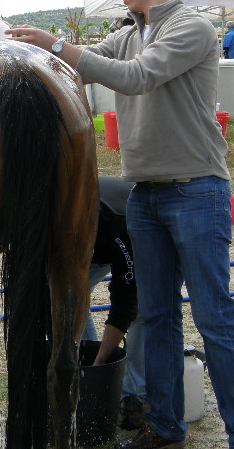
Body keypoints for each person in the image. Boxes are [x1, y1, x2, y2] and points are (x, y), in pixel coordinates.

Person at [6, 0, 234, 449]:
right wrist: (27, 51)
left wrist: (57, 43)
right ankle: (166, 427)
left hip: (196, 191)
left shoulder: (191, 27)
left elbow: (135, 77)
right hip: (144, 196)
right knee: (157, 315)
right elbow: (82, 65)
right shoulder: (130, 34)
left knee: (215, 318)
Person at [83, 176, 145, 431]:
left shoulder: (119, 225)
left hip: (127, 233)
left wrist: (100, 366)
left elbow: (123, 306)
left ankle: (133, 394)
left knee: (141, 312)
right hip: (91, 243)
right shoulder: (55, 224)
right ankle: (82, 365)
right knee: (67, 300)